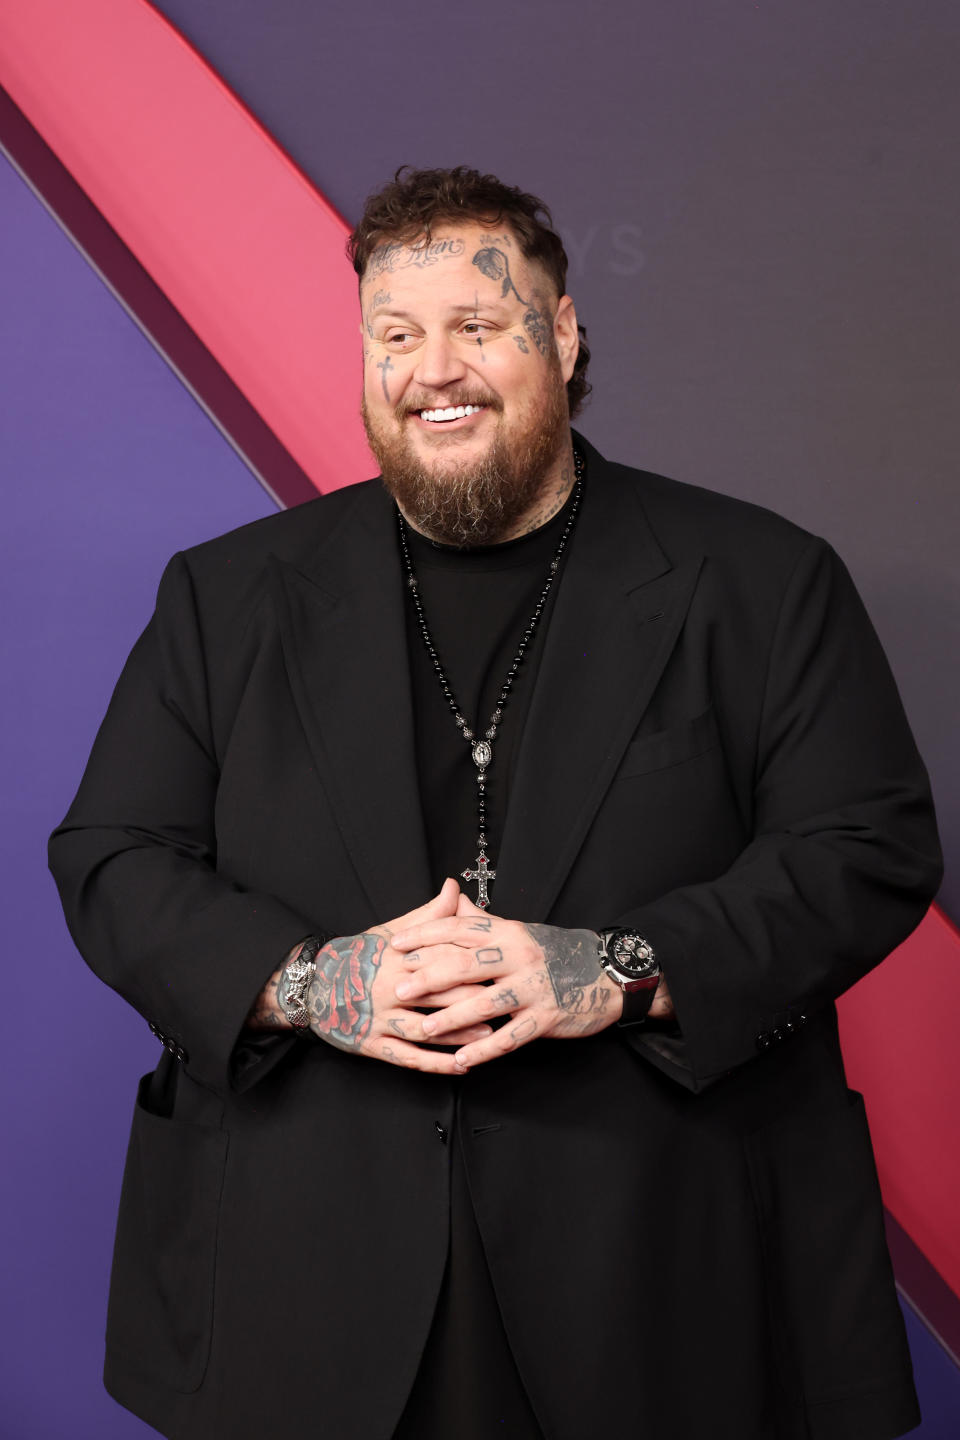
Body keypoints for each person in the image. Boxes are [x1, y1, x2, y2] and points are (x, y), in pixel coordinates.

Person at [50, 166, 942, 1440]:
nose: (434, 371)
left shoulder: (761, 578)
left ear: (561, 336)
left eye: (476, 325)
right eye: (395, 335)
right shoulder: (226, 595)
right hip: (302, 1280)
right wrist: (311, 982)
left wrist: (617, 968)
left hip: (661, 1274)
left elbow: (865, 847)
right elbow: (112, 855)